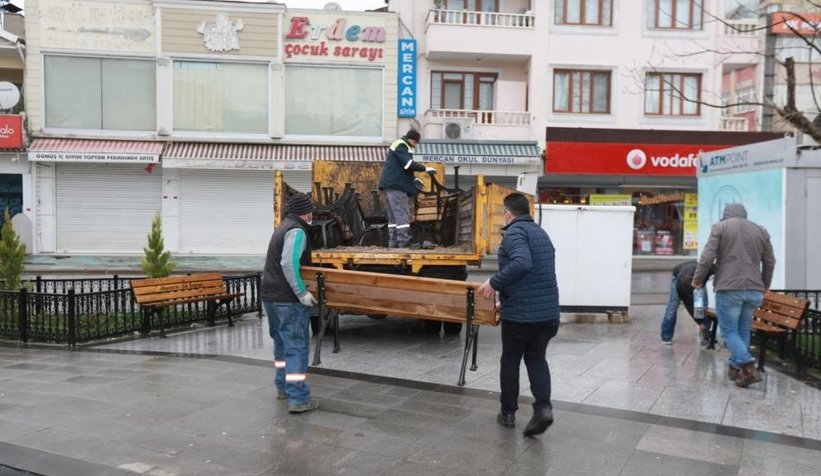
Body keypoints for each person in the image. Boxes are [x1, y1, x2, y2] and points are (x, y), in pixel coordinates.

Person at [478, 193, 560, 437]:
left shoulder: (514, 233)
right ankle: (543, 408)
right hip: (547, 315)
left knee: (510, 361)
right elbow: (536, 272)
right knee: (536, 359)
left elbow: (522, 263)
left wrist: (494, 283)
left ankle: (508, 412)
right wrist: (509, 297)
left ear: (508, 213)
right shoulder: (541, 233)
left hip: (522, 317)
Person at [691, 203, 775, 388]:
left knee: (728, 331)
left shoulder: (720, 227)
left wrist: (698, 279)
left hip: (729, 288)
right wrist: (765, 285)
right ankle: (738, 370)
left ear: (726, 215)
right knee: (743, 330)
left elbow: (707, 257)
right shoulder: (760, 231)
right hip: (754, 290)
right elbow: (769, 261)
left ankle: (746, 363)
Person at [260, 192, 320, 413]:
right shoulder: (296, 231)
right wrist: (302, 292)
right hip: (287, 299)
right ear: (307, 212)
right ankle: (298, 398)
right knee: (296, 346)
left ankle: (283, 387)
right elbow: (288, 262)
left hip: (270, 296)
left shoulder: (283, 226)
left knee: (282, 344)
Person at [378, 128, 436, 248]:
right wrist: (425, 168)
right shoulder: (402, 145)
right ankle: (404, 241)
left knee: (393, 216)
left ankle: (393, 242)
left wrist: (413, 179)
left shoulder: (399, 145)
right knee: (402, 214)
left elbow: (402, 169)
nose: (416, 145)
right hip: (397, 186)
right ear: (412, 140)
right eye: (416, 143)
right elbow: (408, 164)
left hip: (390, 185)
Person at [660, 260, 716, 345]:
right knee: (673, 305)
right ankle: (666, 336)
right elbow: (689, 304)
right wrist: (699, 322)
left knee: (702, 305)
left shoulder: (708, 270)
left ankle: (705, 333)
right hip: (679, 276)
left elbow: (698, 305)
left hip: (694, 271)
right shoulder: (683, 283)